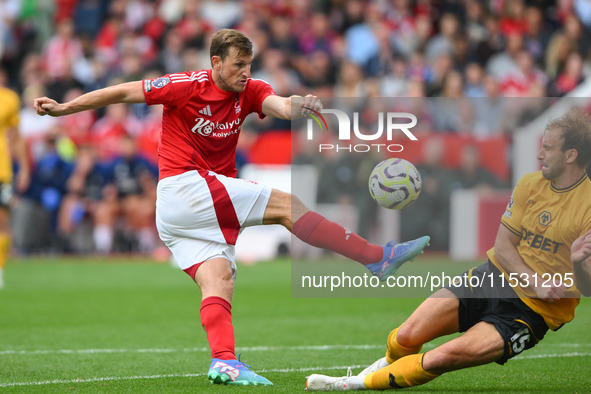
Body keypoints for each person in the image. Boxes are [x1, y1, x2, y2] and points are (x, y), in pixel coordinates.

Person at [34, 29, 430, 386]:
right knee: (287, 206)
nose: (245, 72)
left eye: (249, 64)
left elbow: (278, 105)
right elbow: (121, 92)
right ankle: (375, 257)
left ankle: (224, 361)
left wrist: (300, 106)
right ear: (216, 63)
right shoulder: (185, 85)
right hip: (184, 186)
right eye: (238, 65)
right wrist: (65, 109)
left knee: (219, 279)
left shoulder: (251, 90)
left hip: (185, 211)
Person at [306, 108, 591, 391]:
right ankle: (385, 368)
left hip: (530, 312)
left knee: (439, 358)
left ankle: (349, 384)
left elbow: (587, 287)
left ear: (570, 155)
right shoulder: (530, 184)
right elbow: (503, 246)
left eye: (548, 148)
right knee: (404, 337)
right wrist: (534, 281)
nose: (539, 154)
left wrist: (577, 263)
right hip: (491, 278)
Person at [0, 68, 30, 289]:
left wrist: (25, 169)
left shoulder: (9, 98)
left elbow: (17, 137)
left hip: (2, 169)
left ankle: (0, 269)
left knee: (2, 221)